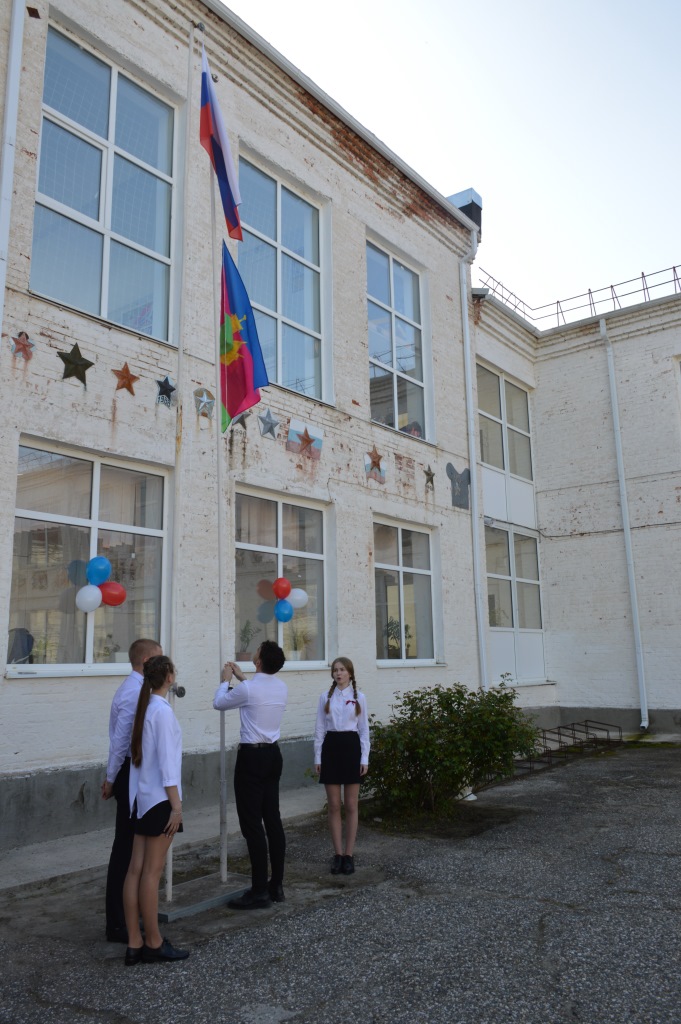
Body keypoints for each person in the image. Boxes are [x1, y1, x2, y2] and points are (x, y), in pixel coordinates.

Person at [123, 654, 188, 965]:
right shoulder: (161, 712)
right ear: (170, 678)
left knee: (136, 870)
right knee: (151, 872)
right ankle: (153, 941)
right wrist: (177, 807)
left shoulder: (146, 708)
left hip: (143, 799)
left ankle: (134, 942)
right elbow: (167, 766)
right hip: (160, 801)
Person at [213, 640, 287, 909]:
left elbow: (219, 703)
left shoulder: (248, 689)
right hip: (273, 755)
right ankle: (276, 884)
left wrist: (226, 680)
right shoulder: (280, 686)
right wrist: (243, 678)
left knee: (252, 823)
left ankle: (258, 891)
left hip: (252, 758)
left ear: (258, 662)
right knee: (272, 819)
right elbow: (256, 694)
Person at [101, 638, 162, 943]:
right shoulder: (132, 691)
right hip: (128, 772)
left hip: (136, 771)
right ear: (147, 661)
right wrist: (111, 778)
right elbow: (120, 742)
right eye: (159, 659)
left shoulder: (142, 689)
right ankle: (117, 923)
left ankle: (132, 914)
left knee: (134, 847)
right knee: (125, 848)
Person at [314, 656, 370, 875]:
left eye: (342, 670)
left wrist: (364, 758)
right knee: (334, 805)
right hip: (331, 748)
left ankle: (349, 855)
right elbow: (319, 729)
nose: (338, 673)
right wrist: (318, 757)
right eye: (335, 670)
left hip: (351, 748)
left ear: (350, 673)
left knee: (351, 805)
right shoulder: (325, 697)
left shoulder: (359, 697)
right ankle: (337, 854)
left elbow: (364, 730)